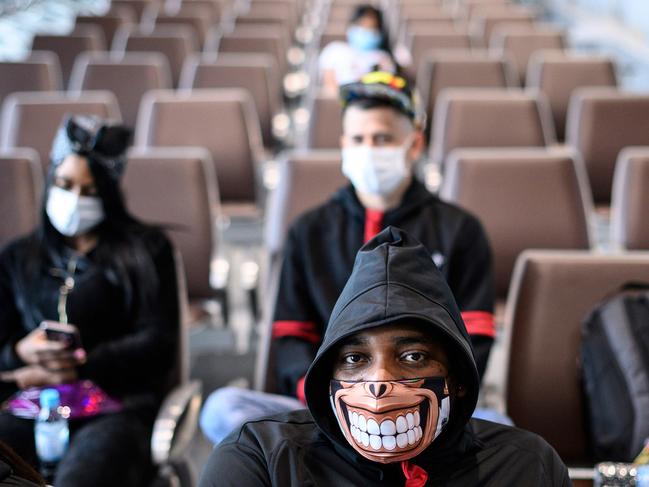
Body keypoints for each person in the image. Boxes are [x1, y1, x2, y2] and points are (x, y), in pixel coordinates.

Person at [200, 72, 497, 444]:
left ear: (415, 144)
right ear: (343, 144)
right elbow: (291, 335)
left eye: (383, 138)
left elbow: (475, 338)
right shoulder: (309, 230)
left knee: (501, 426)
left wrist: (416, 398)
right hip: (329, 402)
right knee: (224, 409)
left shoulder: (460, 230)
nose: (369, 148)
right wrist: (335, 399)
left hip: (425, 406)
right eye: (358, 139)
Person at [199, 227, 570, 486]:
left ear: (456, 378)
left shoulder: (525, 466)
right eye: (355, 359)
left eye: (412, 357)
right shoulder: (258, 460)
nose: (379, 384)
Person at [0, 115, 179, 486]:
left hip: (115, 406)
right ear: (50, 182)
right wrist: (20, 354)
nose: (74, 201)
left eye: (89, 191)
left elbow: (158, 343)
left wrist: (82, 366)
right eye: (64, 185)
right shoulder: (18, 257)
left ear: (108, 194)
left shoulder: (146, 251)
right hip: (33, 399)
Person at [319, 4, 397, 91]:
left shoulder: (383, 58)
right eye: (362, 25)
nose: (365, 31)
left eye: (371, 28)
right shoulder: (335, 50)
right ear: (352, 25)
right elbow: (330, 86)